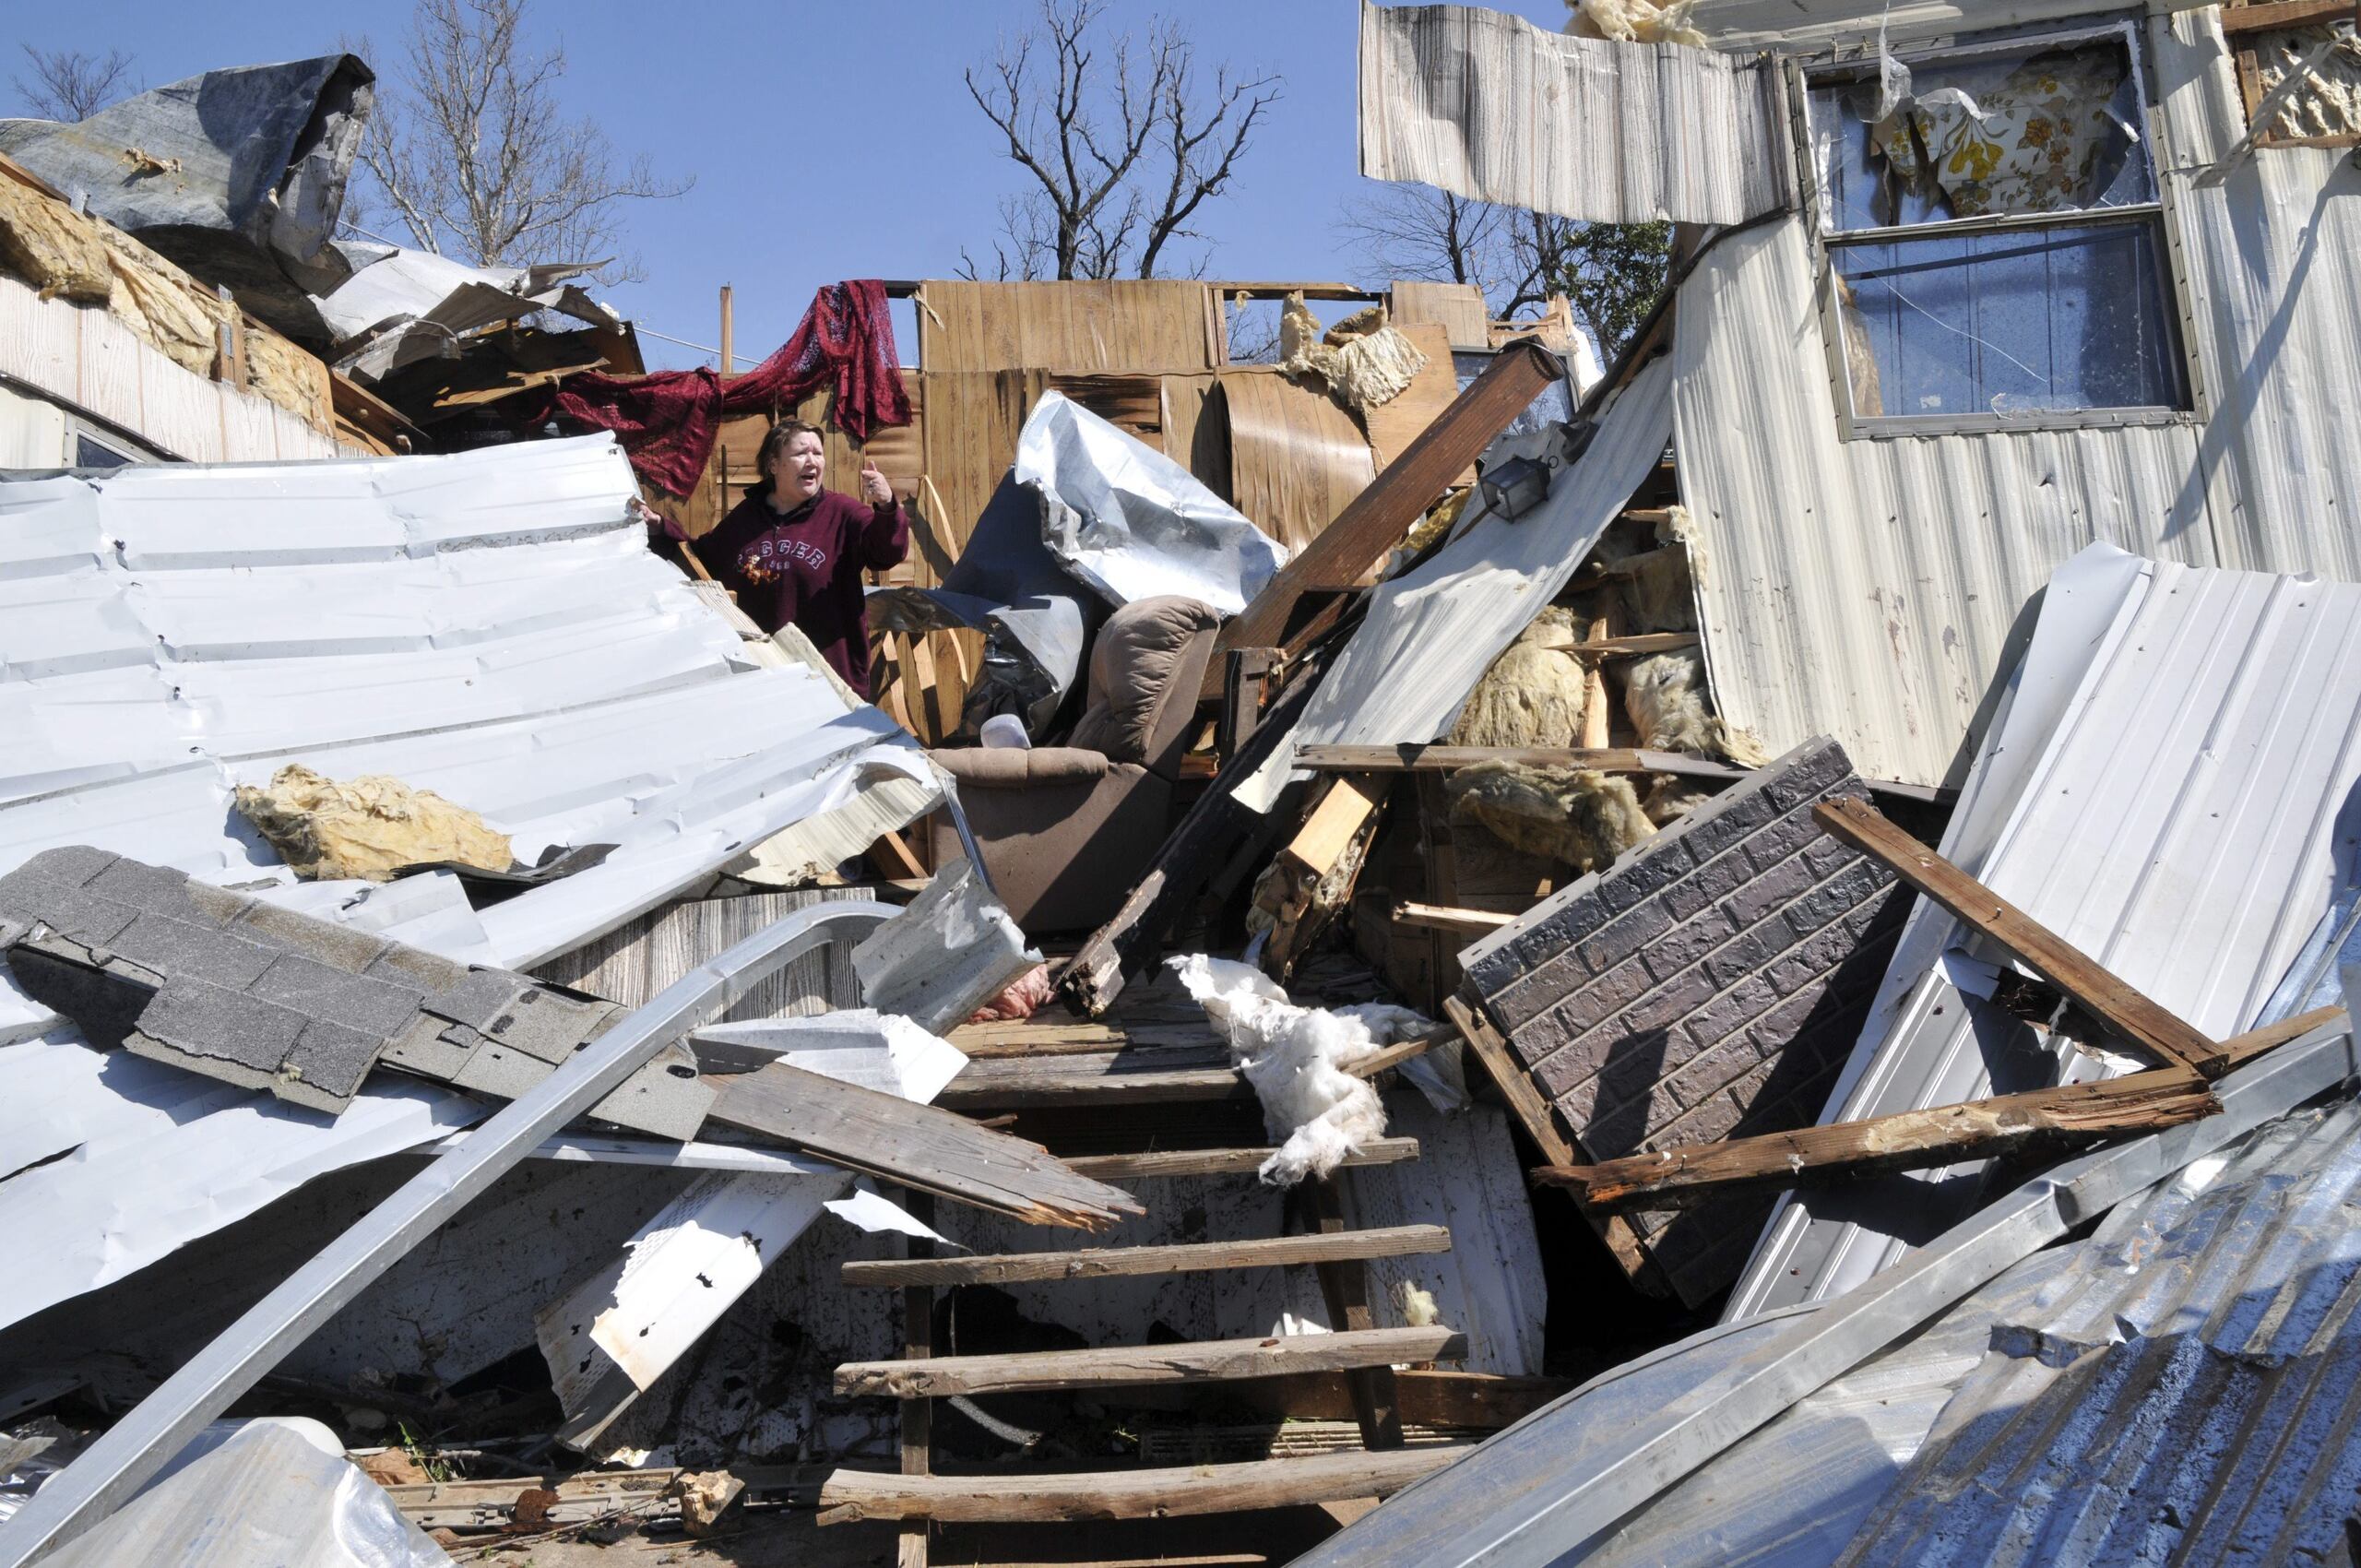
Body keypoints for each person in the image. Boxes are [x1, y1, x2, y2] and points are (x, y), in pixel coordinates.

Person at [692, 419, 909, 697]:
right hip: (765, 678)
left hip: (831, 681)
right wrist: (659, 528)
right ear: (773, 465)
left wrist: (887, 506)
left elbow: (887, 552)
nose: (812, 461)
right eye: (800, 453)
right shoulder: (747, 518)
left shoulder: (842, 513)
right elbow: (701, 557)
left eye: (817, 453)